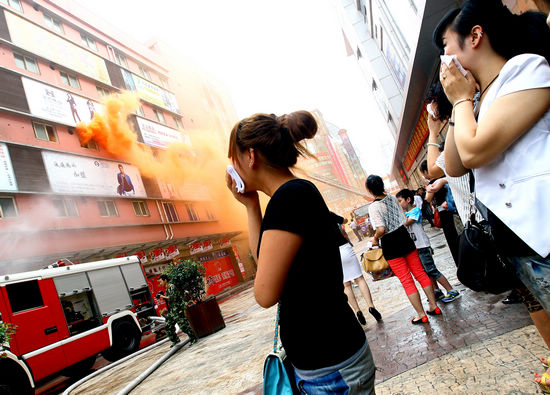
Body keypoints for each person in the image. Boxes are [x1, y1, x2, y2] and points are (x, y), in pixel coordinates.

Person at [433, 1, 550, 390]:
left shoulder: (526, 69)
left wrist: (463, 100)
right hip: (518, 245)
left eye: (448, 47)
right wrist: (460, 103)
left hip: (543, 233)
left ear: (476, 36)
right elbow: (453, 164)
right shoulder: (477, 98)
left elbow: (476, 151)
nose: (444, 62)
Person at [226, 111, 375, 393]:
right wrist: (251, 206)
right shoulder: (290, 196)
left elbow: (264, 294)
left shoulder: (289, 199)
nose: (232, 166)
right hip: (331, 364)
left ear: (251, 156)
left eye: (234, 157)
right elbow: (266, 264)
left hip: (332, 370)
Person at [366, 174, 439, 324]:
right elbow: (403, 219)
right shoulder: (393, 198)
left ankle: (421, 314)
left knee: (407, 280)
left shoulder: (374, 207)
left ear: (370, 190)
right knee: (420, 273)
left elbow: (381, 228)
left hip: (390, 244)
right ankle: (434, 306)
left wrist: (374, 239)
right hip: (404, 237)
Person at [396, 189, 460, 303]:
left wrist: (400, 212)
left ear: (408, 200)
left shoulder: (416, 211)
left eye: (400, 201)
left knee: (432, 270)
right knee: (426, 271)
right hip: (416, 247)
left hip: (423, 246)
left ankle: (451, 290)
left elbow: (406, 223)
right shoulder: (406, 214)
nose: (399, 204)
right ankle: (436, 291)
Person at [330, 211, 382, 325]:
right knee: (359, 279)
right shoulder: (328, 213)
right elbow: (345, 220)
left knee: (346, 284)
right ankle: (371, 306)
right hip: (344, 247)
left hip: (331, 254)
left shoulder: (309, 222)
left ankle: (357, 311)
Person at [420, 160, 460, 266]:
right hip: (458, 210)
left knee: (453, 240)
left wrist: (428, 189)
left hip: (445, 214)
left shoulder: (433, 183)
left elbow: (428, 199)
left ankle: (461, 266)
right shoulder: (447, 176)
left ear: (426, 171)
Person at [157, 274, 191, 347]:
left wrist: (162, 296)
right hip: (172, 310)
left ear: (165, 280)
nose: (160, 284)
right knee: (168, 325)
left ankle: (193, 338)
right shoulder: (167, 288)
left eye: (161, 281)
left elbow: (172, 298)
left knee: (183, 325)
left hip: (178, 309)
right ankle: (175, 340)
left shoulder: (171, 286)